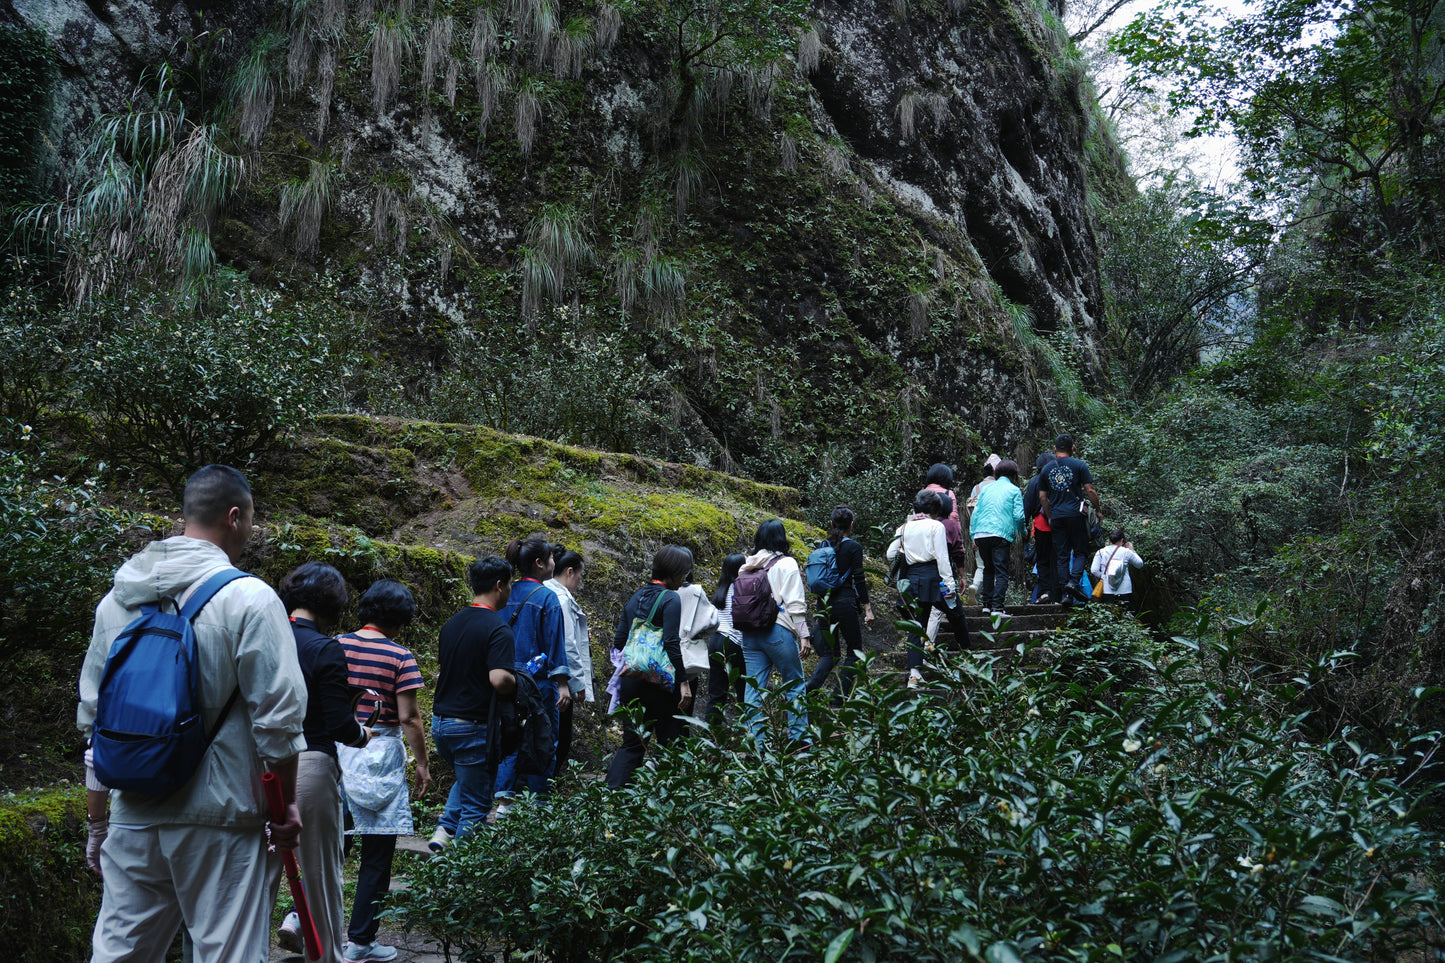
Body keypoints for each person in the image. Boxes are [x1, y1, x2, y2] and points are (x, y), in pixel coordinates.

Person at [77, 464, 306, 963]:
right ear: (234, 517)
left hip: (134, 811)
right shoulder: (249, 598)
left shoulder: (117, 602)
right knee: (227, 952)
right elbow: (278, 723)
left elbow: (95, 723)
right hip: (223, 817)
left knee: (120, 953)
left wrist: (99, 824)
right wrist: (284, 808)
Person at [277, 562, 372, 963]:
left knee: (256, 873)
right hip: (310, 766)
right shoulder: (324, 648)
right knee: (319, 874)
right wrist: (362, 734)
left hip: (256, 767)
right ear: (333, 603)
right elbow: (338, 723)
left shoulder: (265, 637)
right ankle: (328, 956)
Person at [336, 579, 428, 963]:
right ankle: (360, 941)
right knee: (377, 855)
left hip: (337, 751)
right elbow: (409, 717)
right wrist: (422, 762)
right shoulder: (400, 656)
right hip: (381, 753)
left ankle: (303, 921)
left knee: (330, 848)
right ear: (400, 619)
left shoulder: (335, 646)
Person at [430, 557, 518, 846]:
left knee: (468, 778)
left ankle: (443, 832)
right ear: (499, 585)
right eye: (510, 585)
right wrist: (518, 680)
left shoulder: (452, 623)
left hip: (441, 724)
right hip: (472, 725)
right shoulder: (497, 628)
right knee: (477, 805)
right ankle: (462, 877)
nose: (510, 591)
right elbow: (499, 680)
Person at [493, 536, 570, 812]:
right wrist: (563, 684)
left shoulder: (504, 594)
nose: (553, 563)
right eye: (550, 558)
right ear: (539, 564)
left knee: (510, 736)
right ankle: (540, 802)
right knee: (542, 737)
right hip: (538, 685)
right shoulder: (547, 597)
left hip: (506, 682)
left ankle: (505, 801)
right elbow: (554, 644)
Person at [607, 545, 694, 786]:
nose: (684, 579)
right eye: (684, 573)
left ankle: (614, 800)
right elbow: (671, 642)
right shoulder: (670, 598)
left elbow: (619, 640)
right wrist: (683, 681)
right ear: (674, 572)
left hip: (630, 679)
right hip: (658, 682)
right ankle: (668, 800)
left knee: (632, 744)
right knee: (670, 739)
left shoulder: (638, 594)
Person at [737, 520, 813, 752]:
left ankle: (755, 742)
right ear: (782, 538)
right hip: (777, 630)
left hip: (749, 633)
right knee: (794, 683)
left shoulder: (746, 566)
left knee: (753, 688)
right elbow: (795, 603)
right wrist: (804, 635)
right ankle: (800, 740)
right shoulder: (787, 563)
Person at [888, 490, 973, 688]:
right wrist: (950, 585)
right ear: (936, 509)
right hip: (937, 580)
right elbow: (942, 557)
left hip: (913, 580)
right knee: (957, 614)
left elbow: (891, 553)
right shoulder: (936, 526)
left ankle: (914, 674)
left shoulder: (904, 527)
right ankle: (967, 657)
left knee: (916, 626)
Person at [804, 506, 875, 699]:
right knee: (854, 652)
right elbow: (859, 580)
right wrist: (868, 609)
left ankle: (807, 691)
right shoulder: (854, 547)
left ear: (831, 523)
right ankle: (837, 698)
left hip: (824, 604)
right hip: (845, 603)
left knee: (830, 654)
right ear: (851, 525)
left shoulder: (822, 545)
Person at [1038, 434, 1102, 609]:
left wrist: (1050, 516)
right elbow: (1090, 490)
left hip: (1057, 516)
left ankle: (1066, 594)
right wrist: (1097, 509)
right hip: (1075, 514)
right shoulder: (1079, 465)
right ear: (1073, 448)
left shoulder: (1046, 469)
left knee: (1062, 555)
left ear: (1054, 449)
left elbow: (1043, 497)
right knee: (1081, 551)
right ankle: (1073, 583)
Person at [545, 547, 593, 774]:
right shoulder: (562, 599)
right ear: (570, 572)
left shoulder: (543, 591)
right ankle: (547, 787)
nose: (579, 583)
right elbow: (568, 645)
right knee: (561, 736)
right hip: (559, 678)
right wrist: (578, 684)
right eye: (580, 577)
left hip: (542, 673)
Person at [969, 461, 1025, 617]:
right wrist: (1022, 532)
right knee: (1001, 572)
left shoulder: (986, 490)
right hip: (1000, 535)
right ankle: (997, 608)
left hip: (981, 534)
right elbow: (1019, 516)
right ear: (1014, 475)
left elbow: (975, 514)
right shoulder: (1014, 490)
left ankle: (987, 605)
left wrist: (973, 535)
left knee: (988, 569)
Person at [704, 553, 747, 727]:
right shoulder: (742, 588)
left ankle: (710, 737)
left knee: (716, 694)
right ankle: (749, 735)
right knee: (744, 693)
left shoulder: (722, 588)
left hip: (715, 641)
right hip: (732, 643)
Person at [1023, 453, 1057, 603]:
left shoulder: (1035, 481)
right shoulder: (1058, 479)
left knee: (1042, 560)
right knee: (1058, 559)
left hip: (1041, 525)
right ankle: (1058, 593)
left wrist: (1023, 526)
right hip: (1059, 524)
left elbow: (1027, 506)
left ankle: (1045, 592)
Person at [1090, 530, 1145, 610]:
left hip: (1107, 590)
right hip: (1125, 590)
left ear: (1109, 540)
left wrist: (1105, 576)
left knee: (1109, 614)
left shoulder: (1101, 552)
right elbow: (1139, 564)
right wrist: (1132, 550)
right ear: (1122, 540)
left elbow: (1094, 570)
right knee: (1126, 614)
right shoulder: (1127, 552)